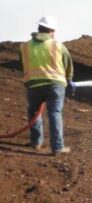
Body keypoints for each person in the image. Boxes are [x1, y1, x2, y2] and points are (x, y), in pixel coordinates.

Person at [19, 15, 75, 155]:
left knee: (34, 112)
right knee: (54, 113)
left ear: (38, 28)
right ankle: (57, 147)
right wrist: (69, 80)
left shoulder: (25, 46)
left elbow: (23, 64)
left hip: (33, 84)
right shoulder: (57, 45)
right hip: (55, 85)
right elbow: (68, 64)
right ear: (52, 30)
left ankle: (36, 142)